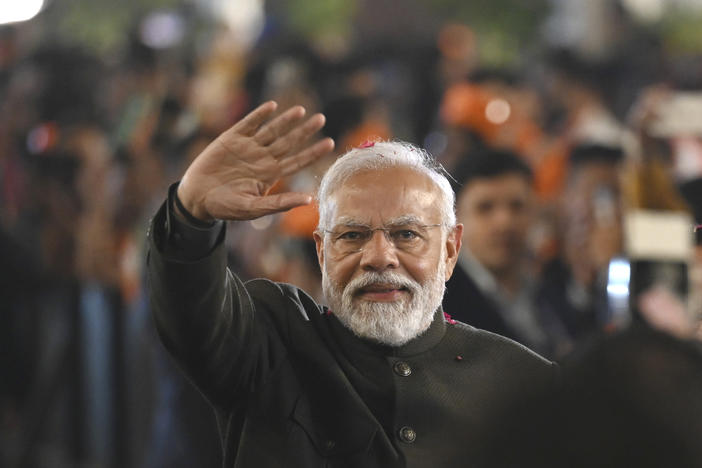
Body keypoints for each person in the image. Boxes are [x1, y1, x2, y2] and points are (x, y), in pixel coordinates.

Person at [147, 101, 557, 467]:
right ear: (322, 252)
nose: (379, 257)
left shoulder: (527, 386)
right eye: (352, 236)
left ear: (450, 251)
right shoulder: (269, 345)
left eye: (406, 235)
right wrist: (190, 217)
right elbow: (193, 316)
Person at [443, 149, 563, 357]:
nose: (504, 222)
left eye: (516, 206)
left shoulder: (553, 288)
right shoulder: (441, 306)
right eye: (485, 208)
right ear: (455, 220)